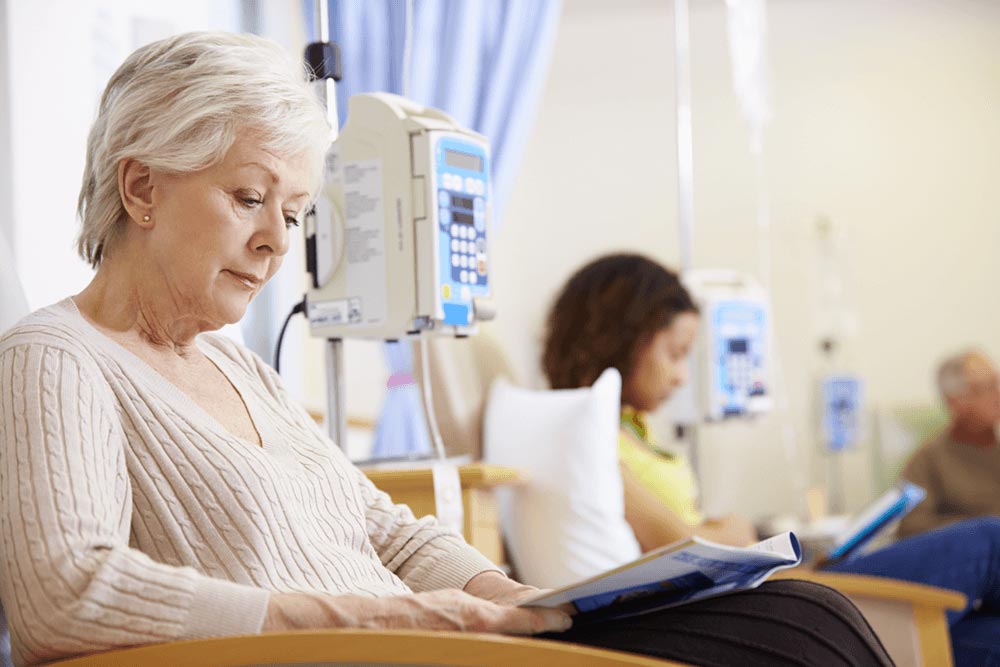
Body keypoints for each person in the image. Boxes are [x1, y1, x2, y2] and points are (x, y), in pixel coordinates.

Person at [0, 32, 891, 667]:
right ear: (142, 187)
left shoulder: (240, 368)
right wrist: (368, 617)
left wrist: (517, 602)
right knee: (799, 638)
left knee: (800, 607)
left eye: (298, 212)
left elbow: (384, 526)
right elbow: (62, 596)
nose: (279, 241)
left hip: (426, 640)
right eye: (248, 197)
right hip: (380, 651)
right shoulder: (55, 358)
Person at [542, 252, 1000, 667]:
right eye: (676, 354)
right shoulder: (586, 436)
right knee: (990, 542)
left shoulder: (631, 433)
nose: (683, 377)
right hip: (759, 604)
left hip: (772, 585)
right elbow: (677, 543)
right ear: (626, 339)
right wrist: (732, 531)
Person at [897, 350, 1000, 538]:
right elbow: (910, 528)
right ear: (955, 401)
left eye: (996, 384)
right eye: (985, 388)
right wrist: (981, 529)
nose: (997, 396)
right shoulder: (928, 461)